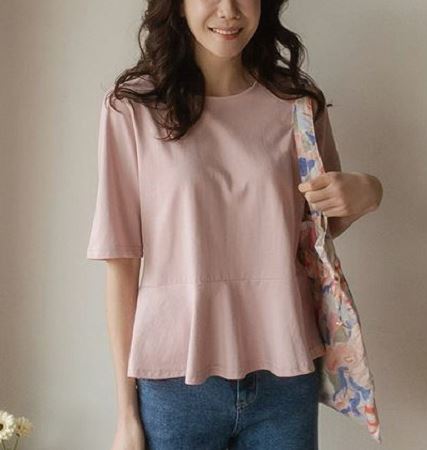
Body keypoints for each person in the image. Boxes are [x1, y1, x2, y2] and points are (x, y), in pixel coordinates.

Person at [86, 1, 383, 449]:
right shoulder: (132, 108)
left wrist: (369, 191)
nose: (228, 10)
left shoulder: (296, 102)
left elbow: (312, 232)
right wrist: (126, 416)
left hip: (286, 375)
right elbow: (121, 263)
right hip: (175, 381)